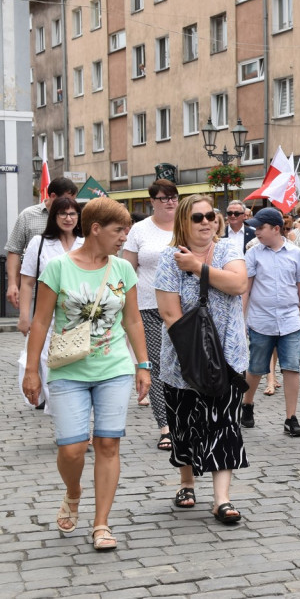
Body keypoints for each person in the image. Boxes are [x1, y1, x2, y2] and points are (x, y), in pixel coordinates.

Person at [22, 196, 150, 551]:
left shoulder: (123, 270)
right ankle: (73, 491)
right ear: (95, 229)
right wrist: (31, 370)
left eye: (126, 230)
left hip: (114, 369)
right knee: (72, 448)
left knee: (108, 444)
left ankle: (101, 524)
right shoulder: (59, 268)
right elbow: (41, 321)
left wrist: (142, 364)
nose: (125, 236)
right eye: (119, 230)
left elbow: (133, 319)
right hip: (68, 370)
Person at [154, 195, 249, 524]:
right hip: (183, 358)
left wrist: (198, 268)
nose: (207, 221)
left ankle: (222, 499)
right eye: (198, 217)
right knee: (184, 426)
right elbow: (168, 311)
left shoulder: (228, 250)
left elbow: (238, 283)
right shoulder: (170, 257)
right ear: (183, 222)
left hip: (229, 356)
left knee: (225, 425)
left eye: (210, 215)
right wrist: (194, 354)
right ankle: (187, 482)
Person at [240, 208, 300, 437]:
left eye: (261, 228)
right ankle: (247, 404)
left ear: (276, 229)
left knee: (291, 368)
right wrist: (241, 320)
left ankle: (291, 417)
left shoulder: (296, 253)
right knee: (256, 367)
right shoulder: (253, 254)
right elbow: (246, 289)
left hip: (290, 320)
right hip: (261, 320)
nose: (256, 232)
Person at [122, 179, 178, 451]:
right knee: (154, 365)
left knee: (184, 364)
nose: (169, 202)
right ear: (153, 201)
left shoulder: (186, 224)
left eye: (173, 197)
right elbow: (127, 268)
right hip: (147, 305)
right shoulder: (140, 230)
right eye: (163, 197)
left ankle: (186, 418)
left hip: (182, 306)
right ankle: (165, 426)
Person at [17, 197, 84, 412]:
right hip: (48, 319)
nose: (68, 218)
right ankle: (62, 418)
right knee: (49, 368)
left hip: (81, 318)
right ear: (54, 217)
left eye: (73, 213)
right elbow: (27, 282)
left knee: (80, 369)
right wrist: (24, 316)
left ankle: (82, 422)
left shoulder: (86, 242)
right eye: (62, 213)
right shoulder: (40, 243)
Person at [5, 177, 78, 308]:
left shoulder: (74, 218)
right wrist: (12, 284)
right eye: (66, 199)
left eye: (73, 200)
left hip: (72, 293)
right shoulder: (28, 215)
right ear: (53, 196)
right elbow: (14, 250)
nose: (70, 204)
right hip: (35, 291)